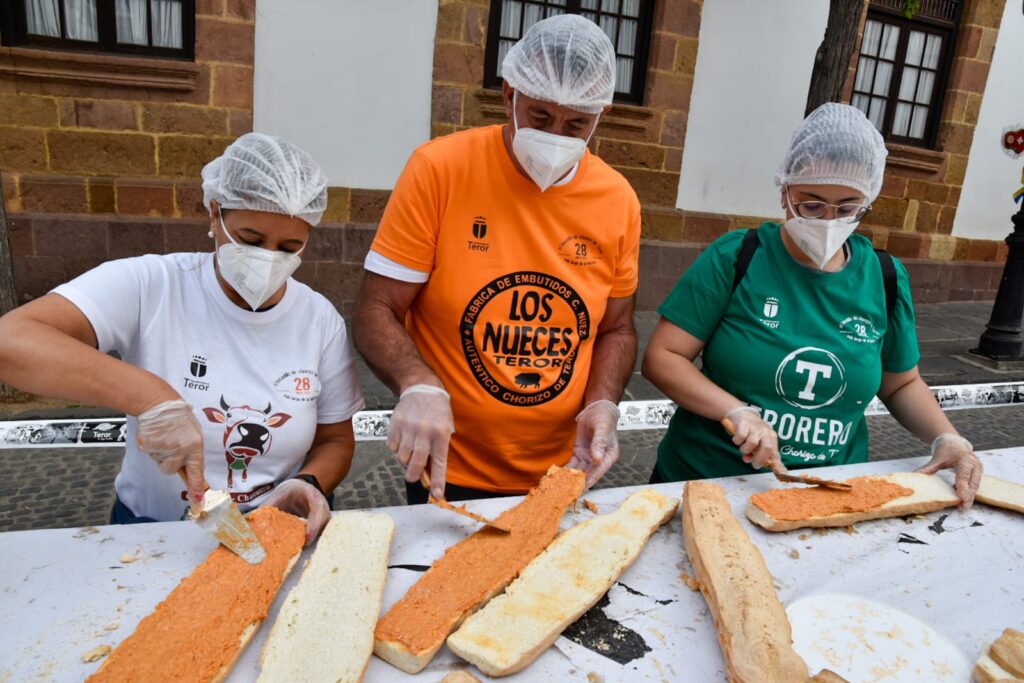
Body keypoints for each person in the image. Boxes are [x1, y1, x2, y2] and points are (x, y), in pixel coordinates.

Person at [0, 133, 365, 543]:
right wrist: (151, 397)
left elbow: (335, 438)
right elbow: (11, 340)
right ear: (214, 213)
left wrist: (310, 482)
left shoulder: (318, 320)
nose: (268, 258)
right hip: (151, 534)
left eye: (290, 247)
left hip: (275, 532)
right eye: (250, 240)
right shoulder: (152, 286)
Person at [353, 15, 641, 504]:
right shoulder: (440, 169)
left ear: (601, 115)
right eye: (540, 117)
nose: (556, 135)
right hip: (449, 463)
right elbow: (375, 308)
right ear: (509, 95)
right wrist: (417, 382)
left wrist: (602, 404)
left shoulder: (618, 200)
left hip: (561, 467)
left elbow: (616, 328)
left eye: (576, 124)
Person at [642, 103, 982, 507]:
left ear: (868, 199)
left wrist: (947, 438)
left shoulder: (885, 276)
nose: (827, 220)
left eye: (847, 207)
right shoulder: (738, 257)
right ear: (784, 191)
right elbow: (664, 357)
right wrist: (736, 412)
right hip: (704, 482)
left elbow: (901, 382)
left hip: (825, 491)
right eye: (811, 203)